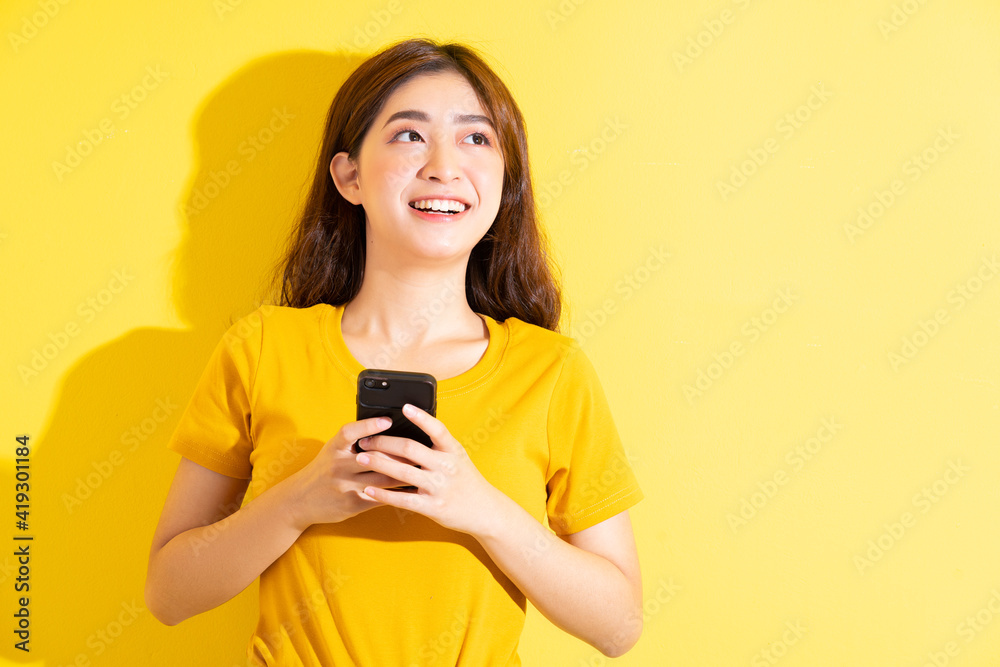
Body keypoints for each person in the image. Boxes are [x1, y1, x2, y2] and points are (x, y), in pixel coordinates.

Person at [145, 37, 644, 666]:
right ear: (349, 176)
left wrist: (481, 508)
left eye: (477, 139)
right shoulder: (262, 347)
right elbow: (168, 593)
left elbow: (619, 627)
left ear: (504, 180)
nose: (443, 166)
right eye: (410, 136)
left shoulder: (552, 372)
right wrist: (301, 500)